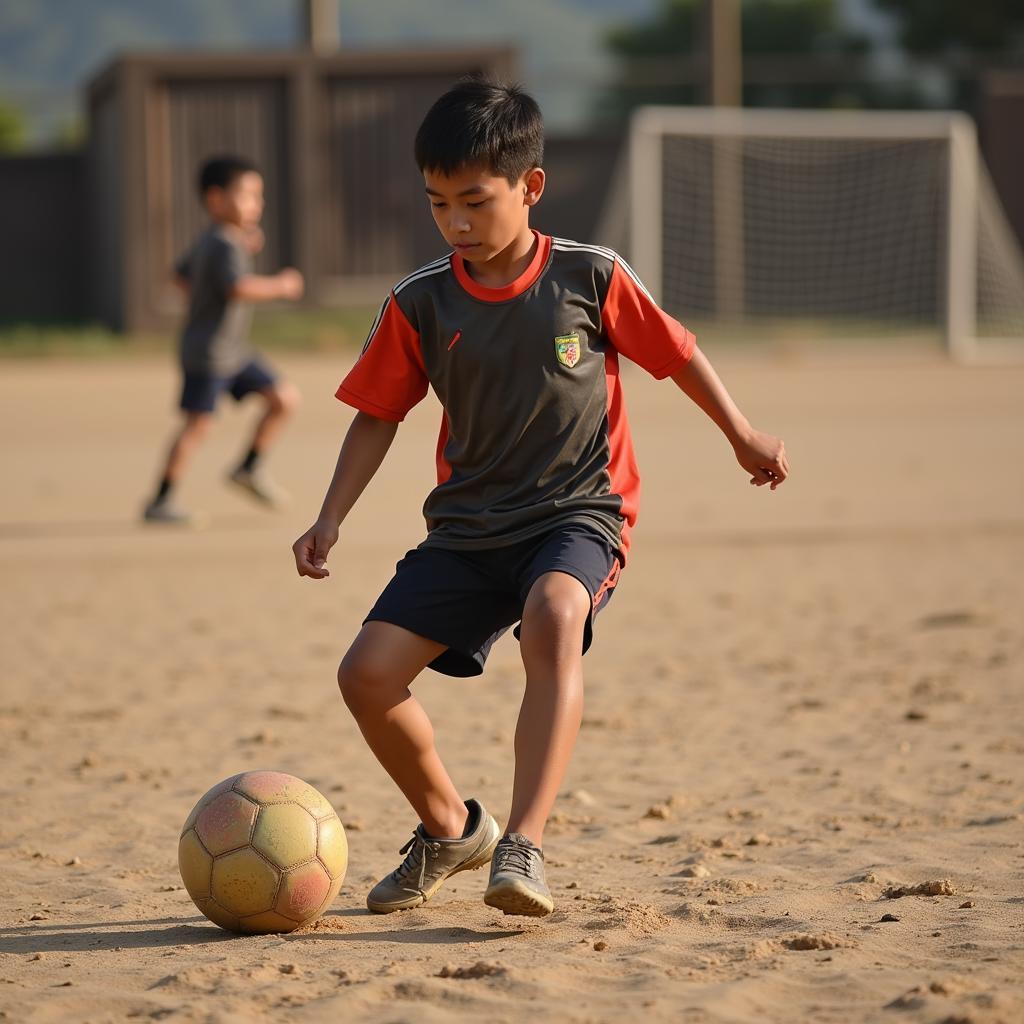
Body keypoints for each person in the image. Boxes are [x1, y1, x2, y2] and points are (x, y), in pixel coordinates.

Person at [292, 78, 789, 918]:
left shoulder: (589, 277)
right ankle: (451, 828)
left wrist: (741, 433)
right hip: (466, 529)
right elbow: (378, 414)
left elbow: (676, 355)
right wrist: (330, 514)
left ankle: (523, 844)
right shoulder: (421, 299)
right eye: (437, 203)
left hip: (577, 514)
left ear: (531, 187)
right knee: (365, 676)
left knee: (555, 616)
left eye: (474, 202)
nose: (455, 223)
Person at [143, 155, 303, 525]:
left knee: (283, 398)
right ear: (216, 200)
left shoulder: (217, 239)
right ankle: (161, 500)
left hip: (231, 350)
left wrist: (202, 299)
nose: (257, 204)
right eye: (247, 195)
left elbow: (180, 275)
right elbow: (237, 288)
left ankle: (248, 468)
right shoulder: (225, 244)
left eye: (258, 196)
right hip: (210, 352)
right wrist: (281, 285)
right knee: (199, 424)